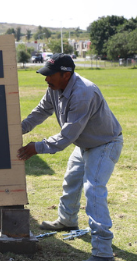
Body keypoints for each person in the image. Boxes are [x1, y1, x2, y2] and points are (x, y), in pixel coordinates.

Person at [17, 54, 123, 261]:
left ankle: (103, 252)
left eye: (50, 75)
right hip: (84, 143)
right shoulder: (55, 88)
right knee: (71, 182)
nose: (46, 79)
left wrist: (36, 147)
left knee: (93, 191)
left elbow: (67, 136)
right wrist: (17, 130)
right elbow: (40, 112)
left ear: (66, 75)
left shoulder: (84, 93)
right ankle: (67, 220)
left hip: (104, 144)